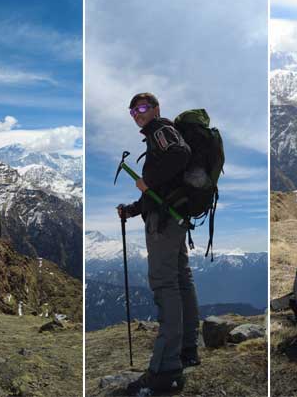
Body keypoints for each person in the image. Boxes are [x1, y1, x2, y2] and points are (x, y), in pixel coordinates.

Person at [117, 92, 200, 394]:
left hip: (165, 224)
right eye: (132, 110)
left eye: (140, 108)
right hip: (174, 217)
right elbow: (158, 189)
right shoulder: (159, 134)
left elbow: (180, 155)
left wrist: (147, 182)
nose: (136, 114)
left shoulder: (161, 131)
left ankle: (166, 369)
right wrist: (134, 208)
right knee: (181, 279)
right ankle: (187, 349)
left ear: (155, 109)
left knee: (165, 284)